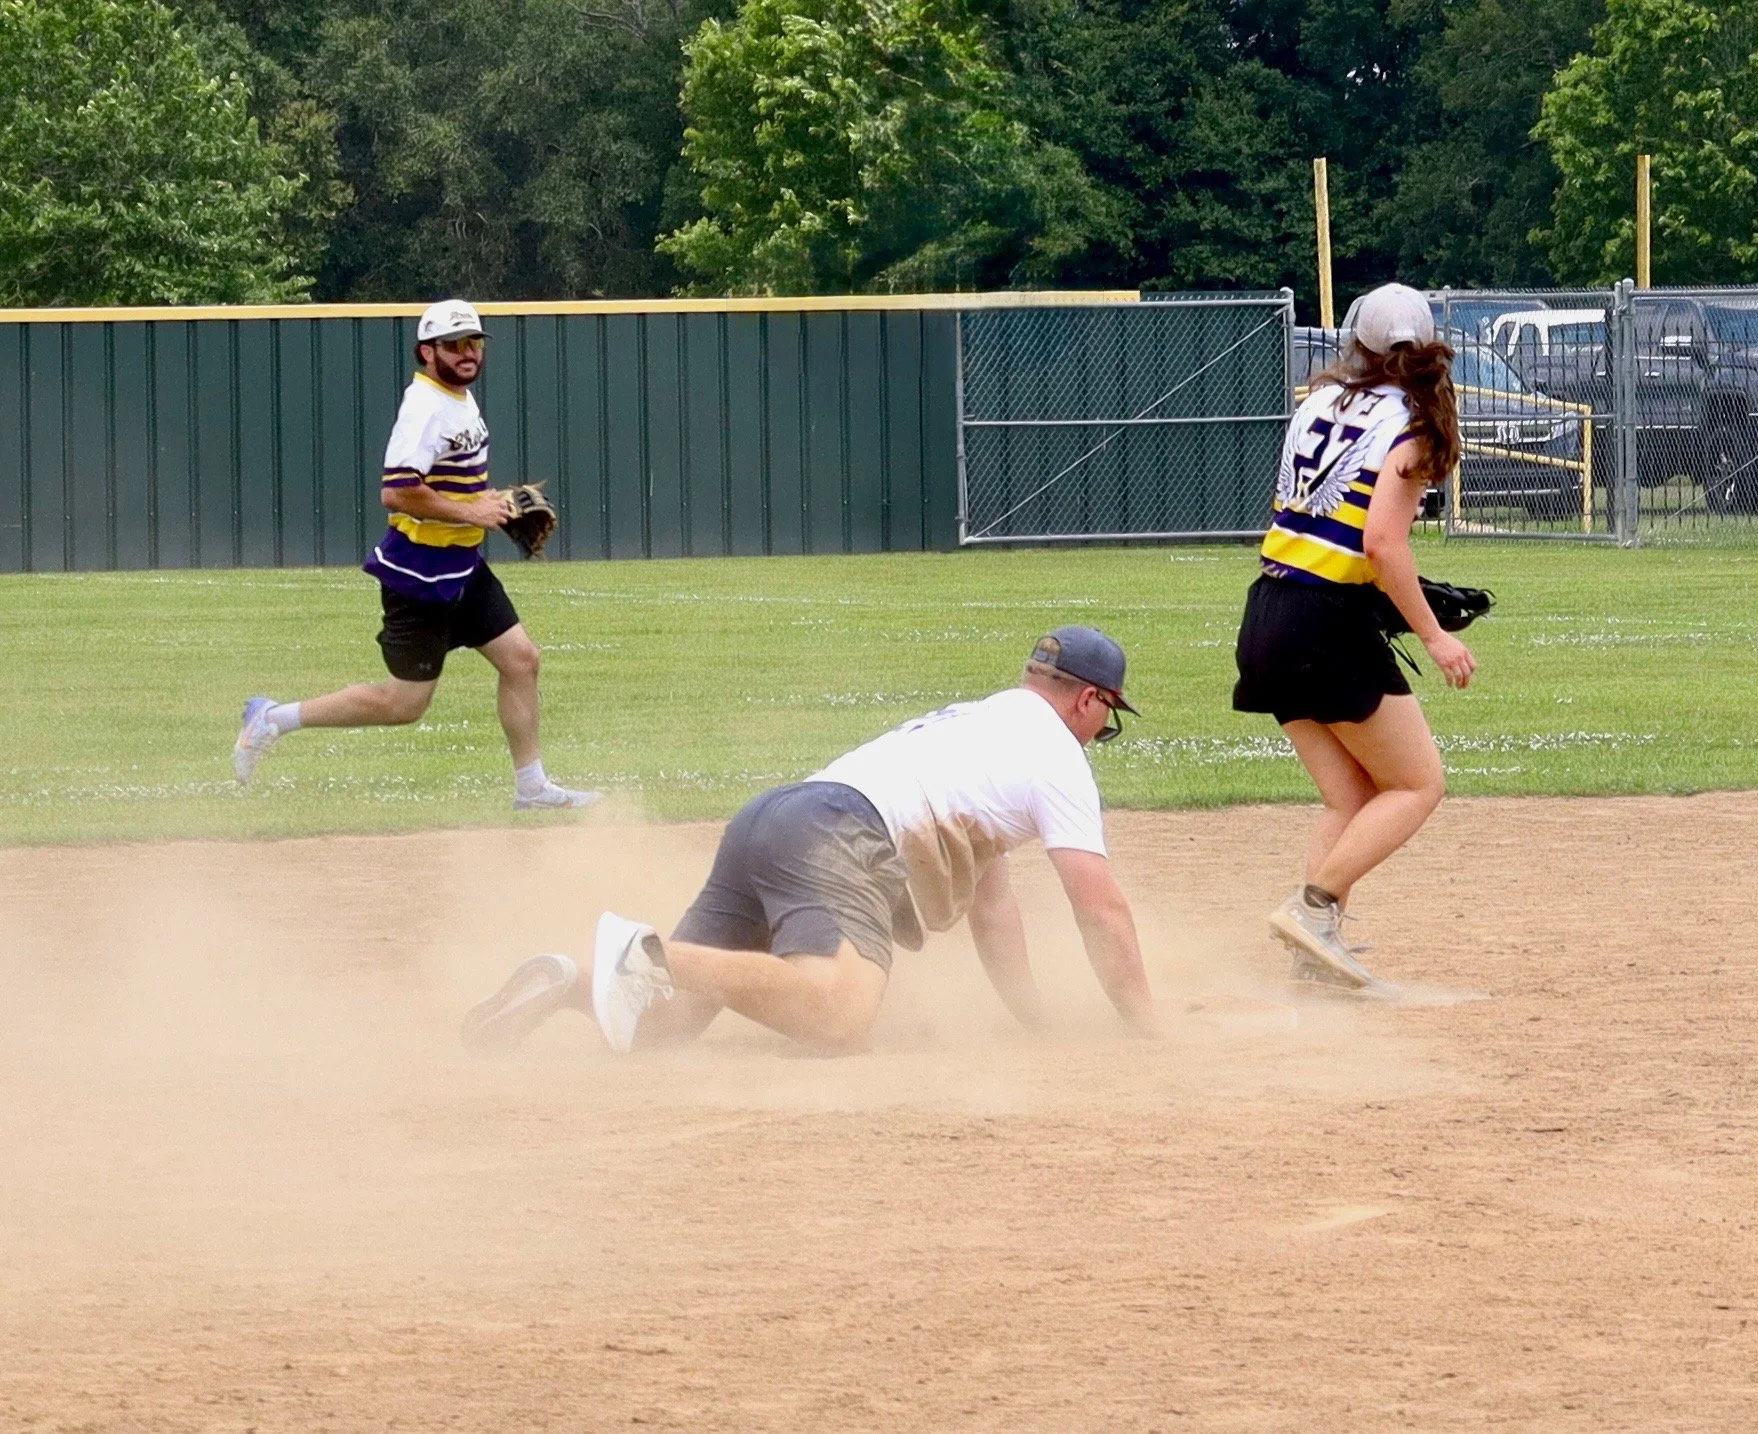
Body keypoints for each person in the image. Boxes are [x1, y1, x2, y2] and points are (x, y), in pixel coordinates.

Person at [461, 626, 1161, 1056]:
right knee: (837, 1016)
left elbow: (991, 906)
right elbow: (1099, 908)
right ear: (1089, 699)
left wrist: (1033, 1019)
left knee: (662, 1029)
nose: (1101, 732)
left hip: (774, 818)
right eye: (1108, 716)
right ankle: (644, 953)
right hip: (837, 836)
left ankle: (566, 980)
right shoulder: (1055, 754)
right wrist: (1144, 1026)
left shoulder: (981, 727)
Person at [232, 299, 595, 811]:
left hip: (462, 566)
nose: (467, 353)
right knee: (403, 705)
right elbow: (398, 491)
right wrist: (471, 513)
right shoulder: (424, 407)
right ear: (427, 352)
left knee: (521, 660)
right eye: (454, 345)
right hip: (420, 575)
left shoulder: (457, 397)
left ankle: (531, 786)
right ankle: (271, 718)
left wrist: (490, 505)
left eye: (474, 342)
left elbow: (451, 482)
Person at [1232, 282, 1475, 995]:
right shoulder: (1410, 422)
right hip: (1324, 622)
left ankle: (1314, 962)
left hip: (1269, 612)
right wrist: (1431, 635)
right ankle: (1312, 912)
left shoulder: (1318, 399)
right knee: (1417, 784)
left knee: (1352, 796)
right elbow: (1381, 546)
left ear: (1355, 343)